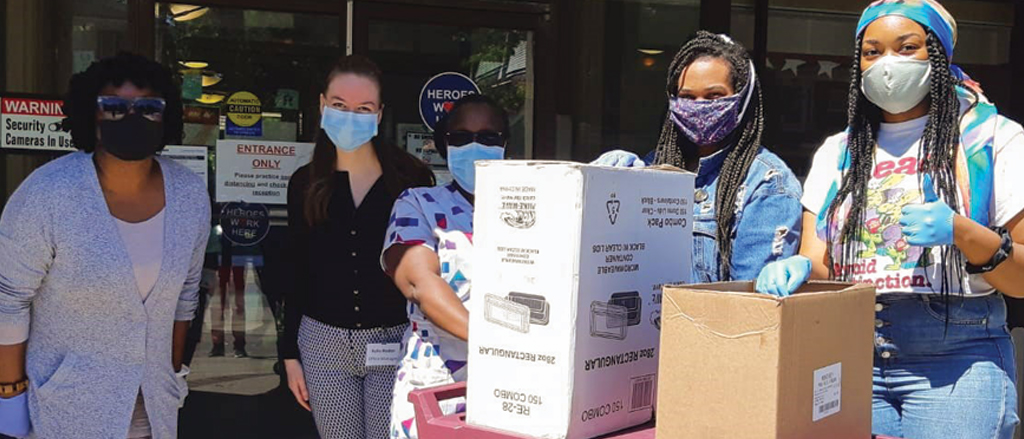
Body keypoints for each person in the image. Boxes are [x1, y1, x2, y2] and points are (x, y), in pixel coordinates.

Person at [756, 1, 1024, 437]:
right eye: (872, 51)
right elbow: (821, 263)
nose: (887, 64)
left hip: (957, 356)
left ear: (937, 55)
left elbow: (1022, 279)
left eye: (907, 47)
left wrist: (961, 231)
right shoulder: (838, 151)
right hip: (849, 352)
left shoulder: (992, 139)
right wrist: (800, 269)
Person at [0, 52, 210, 438]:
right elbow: (8, 298)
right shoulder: (49, 193)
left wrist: (173, 373)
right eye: (113, 107)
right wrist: (9, 396)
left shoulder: (190, 194)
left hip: (154, 410)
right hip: (65, 409)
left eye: (148, 107)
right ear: (90, 115)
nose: (131, 118)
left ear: (167, 117)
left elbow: (185, 297)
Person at [282, 55, 434, 439]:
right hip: (322, 344)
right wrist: (289, 355)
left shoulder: (411, 179)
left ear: (379, 114)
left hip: (394, 339)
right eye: (339, 105)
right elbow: (296, 269)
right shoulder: (305, 182)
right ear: (321, 105)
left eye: (363, 108)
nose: (350, 116)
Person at [594, 31, 803, 282]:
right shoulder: (654, 167)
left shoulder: (767, 182)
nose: (700, 105)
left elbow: (751, 298)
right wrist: (611, 181)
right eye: (687, 97)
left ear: (742, 100)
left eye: (714, 96)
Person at [382, 94, 508, 439]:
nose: (475, 145)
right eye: (461, 137)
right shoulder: (418, 203)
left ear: (504, 145)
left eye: (488, 137)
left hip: (515, 385)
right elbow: (420, 283)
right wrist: (500, 344)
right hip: (439, 385)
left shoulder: (531, 205)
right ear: (444, 146)